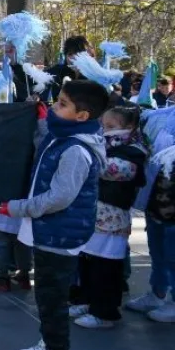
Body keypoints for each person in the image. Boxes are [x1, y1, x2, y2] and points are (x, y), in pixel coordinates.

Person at [5, 79, 108, 350]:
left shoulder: (76, 150)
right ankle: (48, 344)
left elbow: (60, 198)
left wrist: (19, 208)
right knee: (46, 295)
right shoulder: (62, 138)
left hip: (59, 234)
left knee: (52, 298)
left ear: (82, 117)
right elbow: (42, 135)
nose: (54, 107)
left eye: (62, 104)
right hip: (51, 231)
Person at [68, 106, 146, 329]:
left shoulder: (134, 152)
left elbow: (107, 169)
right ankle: (85, 300)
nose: (105, 131)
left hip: (112, 221)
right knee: (86, 263)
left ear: (128, 128)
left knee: (106, 269)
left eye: (111, 127)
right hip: (92, 218)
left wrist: (84, 153)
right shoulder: (102, 146)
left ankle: (105, 313)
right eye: (103, 125)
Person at [125, 123, 175, 323]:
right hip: (158, 207)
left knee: (173, 257)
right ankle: (158, 293)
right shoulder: (162, 119)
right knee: (158, 252)